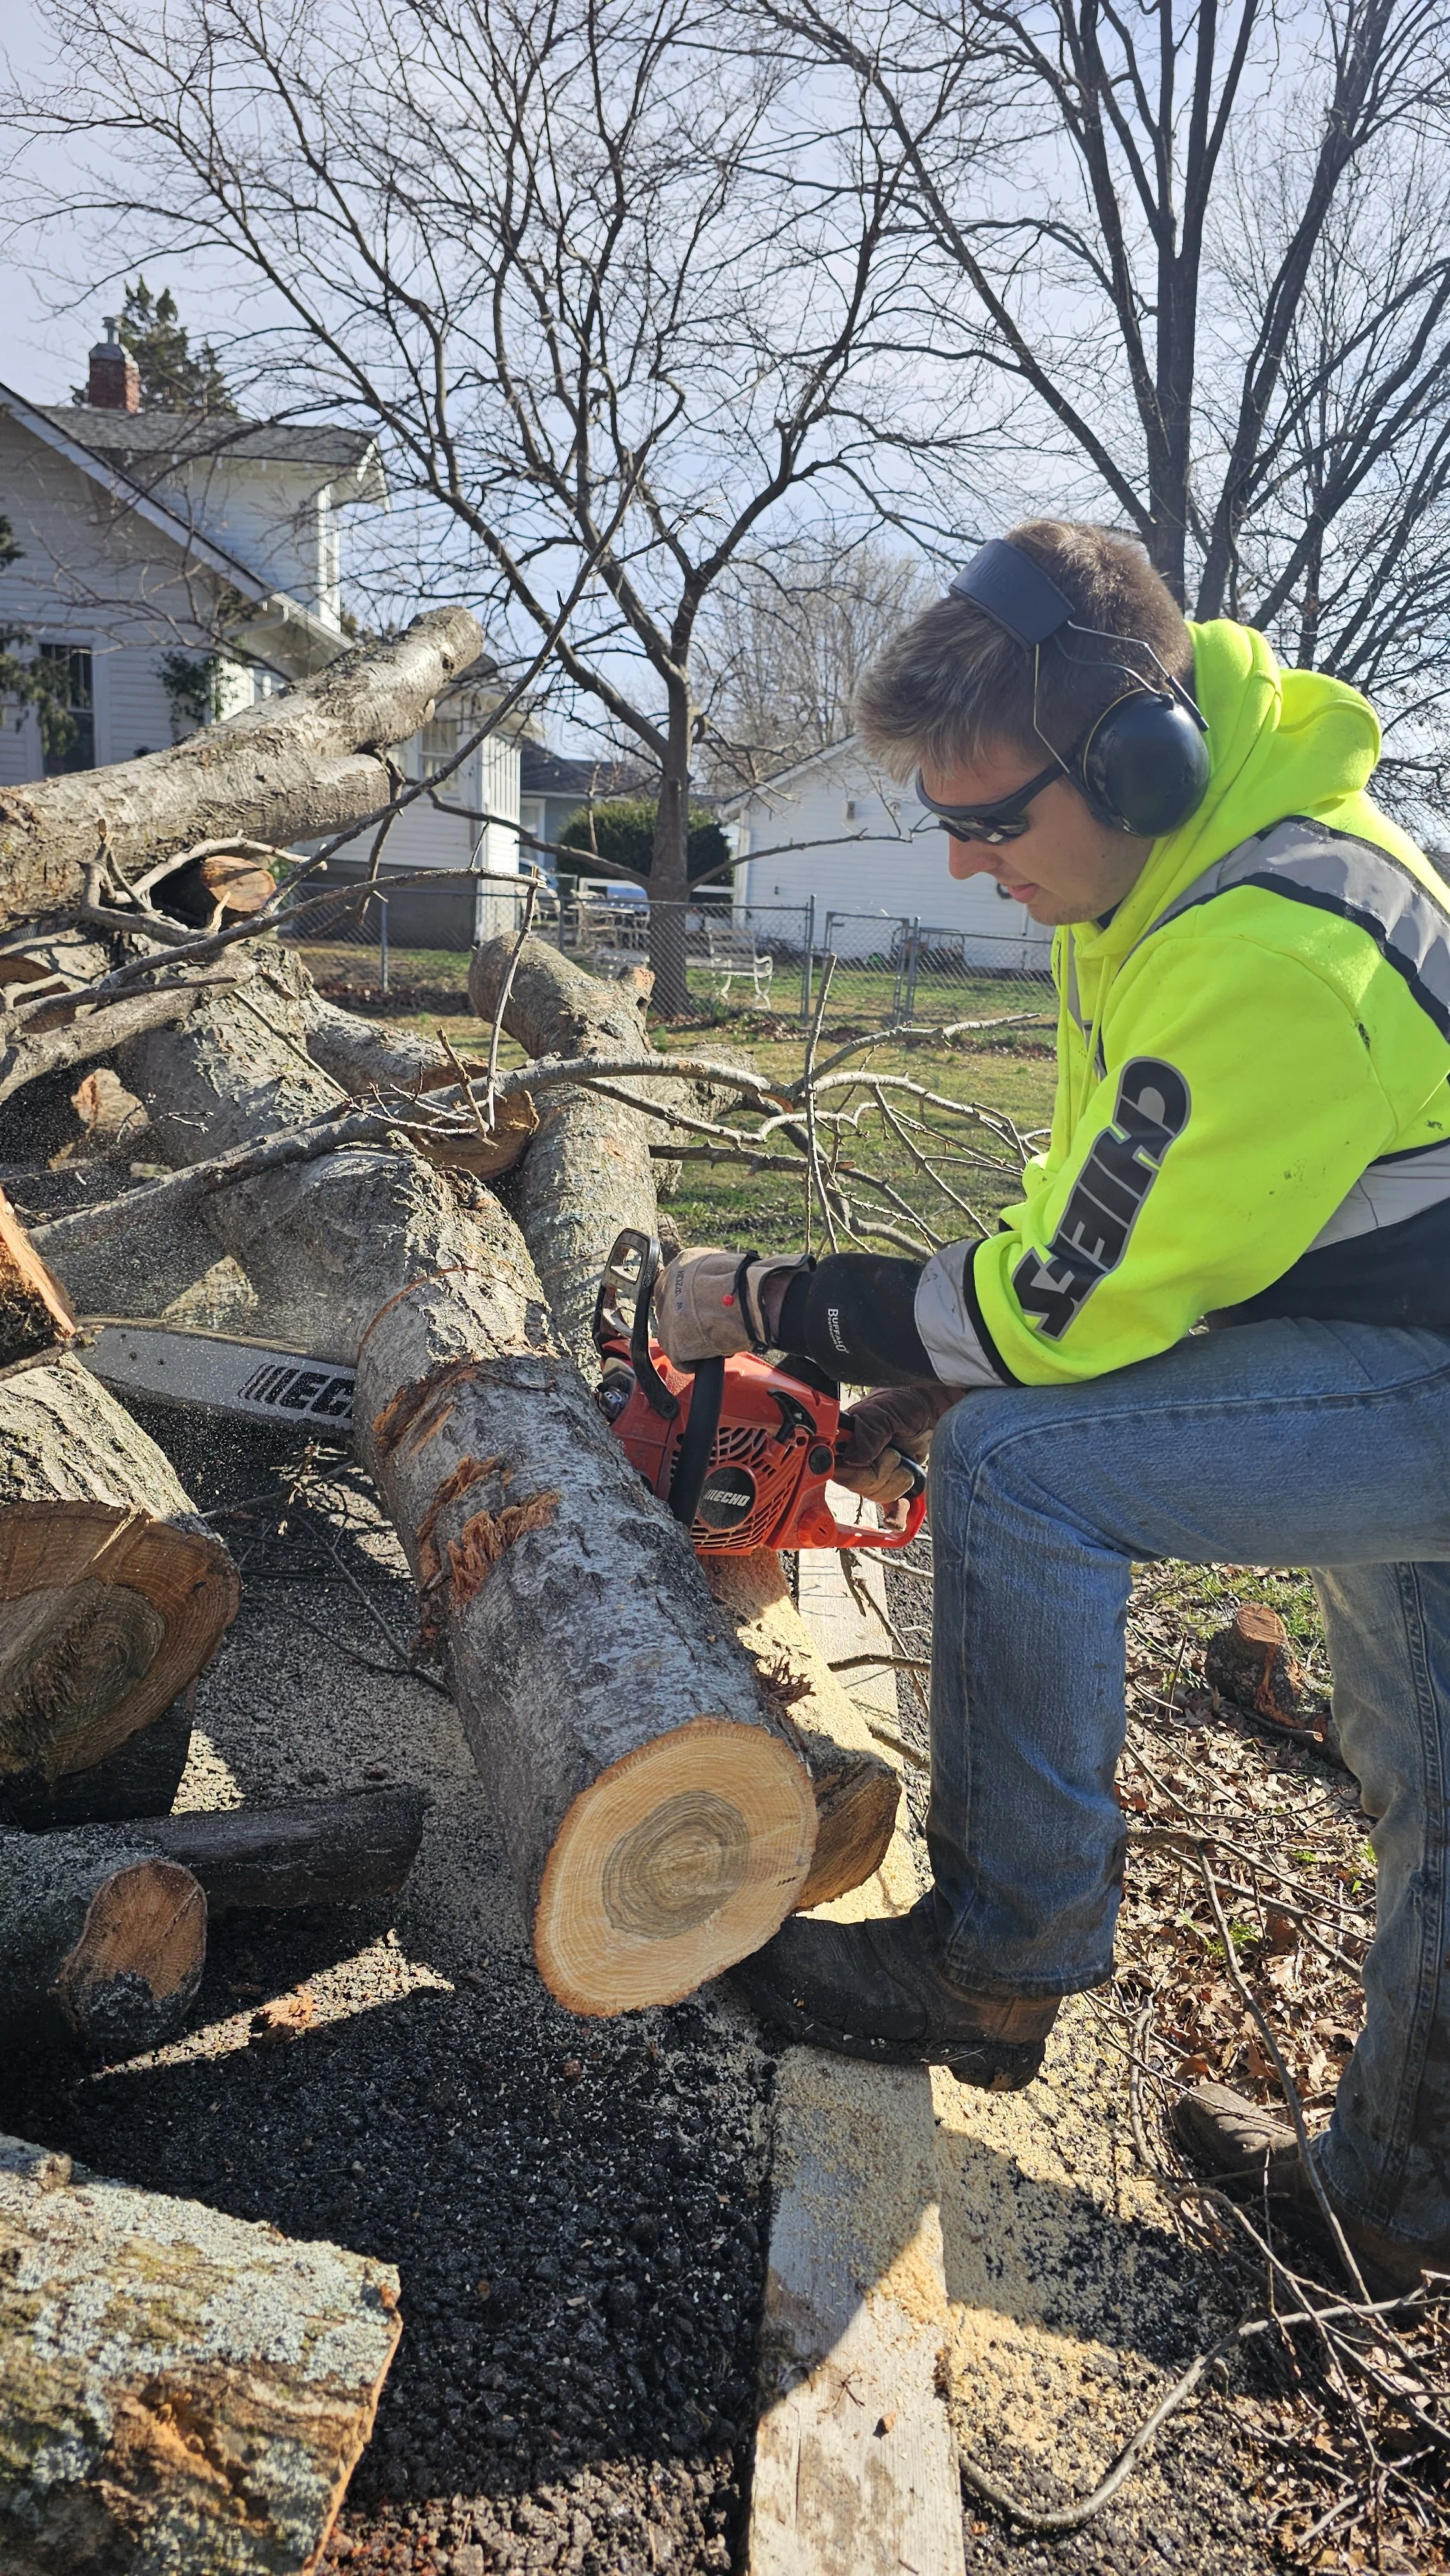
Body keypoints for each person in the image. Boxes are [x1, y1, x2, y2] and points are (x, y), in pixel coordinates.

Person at [652, 520, 1450, 2293]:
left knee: (1024, 1475)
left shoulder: (1269, 950)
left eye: (991, 820)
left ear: (1136, 762)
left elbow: (1061, 1305)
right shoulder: (1182, 875)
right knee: (1440, 1777)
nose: (959, 863)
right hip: (1393, 1325)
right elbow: (1133, 1230)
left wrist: (783, 1307)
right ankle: (1394, 2198)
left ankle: (997, 1961)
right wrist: (946, 1362)